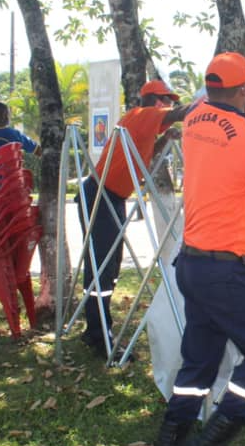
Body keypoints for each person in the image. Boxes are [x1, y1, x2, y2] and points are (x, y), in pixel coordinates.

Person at [145, 52, 245, 446]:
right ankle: (213, 443)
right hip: (226, 270)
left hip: (190, 263)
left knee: (201, 360)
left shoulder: (193, 122)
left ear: (208, 88)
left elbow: (203, 107)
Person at [76, 79, 188, 359]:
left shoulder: (143, 130)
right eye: (167, 100)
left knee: (108, 267)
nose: (170, 106)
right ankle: (101, 336)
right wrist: (209, 105)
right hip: (100, 196)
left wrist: (165, 140)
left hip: (110, 198)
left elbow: (145, 162)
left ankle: (94, 330)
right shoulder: (140, 115)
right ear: (156, 101)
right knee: (102, 267)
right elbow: (178, 114)